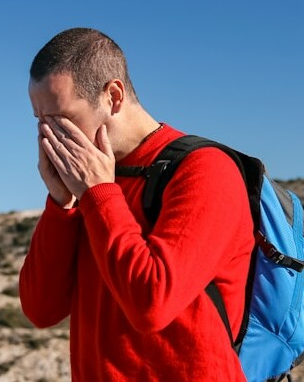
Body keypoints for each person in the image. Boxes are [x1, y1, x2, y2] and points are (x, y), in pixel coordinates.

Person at [19, 27, 255, 381]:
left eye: (60, 120)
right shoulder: (90, 184)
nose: (48, 137)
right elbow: (40, 309)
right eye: (40, 121)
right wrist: (60, 205)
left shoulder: (205, 169)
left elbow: (151, 304)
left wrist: (98, 194)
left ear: (113, 96)